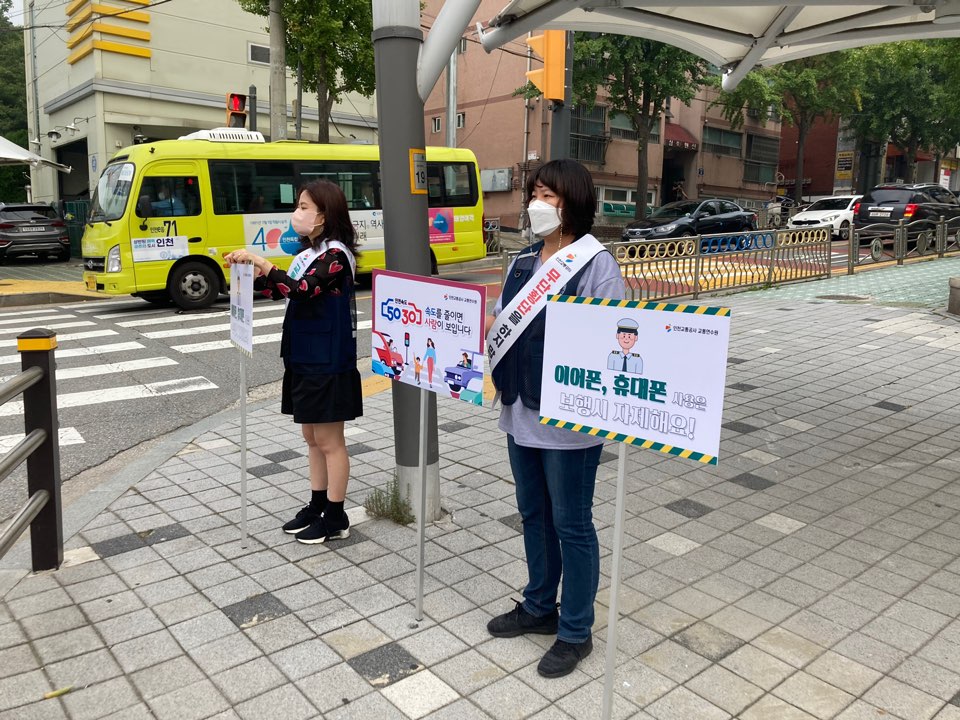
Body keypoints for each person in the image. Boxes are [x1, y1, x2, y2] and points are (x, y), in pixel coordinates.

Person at [484, 159, 625, 678]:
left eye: (548, 195)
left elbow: (610, 341)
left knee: (572, 523)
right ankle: (540, 605)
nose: (536, 204)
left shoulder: (595, 266)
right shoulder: (522, 261)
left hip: (570, 424)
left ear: (573, 201)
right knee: (533, 514)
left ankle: (576, 630)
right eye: (534, 194)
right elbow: (501, 323)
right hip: (520, 409)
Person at [224, 179, 362, 545]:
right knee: (312, 437)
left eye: (303, 207)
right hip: (304, 356)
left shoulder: (335, 257)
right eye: (298, 206)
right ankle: (317, 505)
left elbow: (303, 290)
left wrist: (263, 262)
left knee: (330, 440)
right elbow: (284, 289)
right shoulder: (312, 254)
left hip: (328, 360)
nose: (296, 213)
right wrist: (254, 273)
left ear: (324, 215)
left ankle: (336, 516)